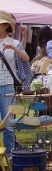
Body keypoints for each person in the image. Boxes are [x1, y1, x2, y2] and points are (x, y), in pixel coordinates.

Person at [0, 11, 29, 152]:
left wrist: (12, 47)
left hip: (7, 86)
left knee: (8, 124)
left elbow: (26, 58)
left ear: (6, 26)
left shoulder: (14, 43)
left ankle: (10, 154)